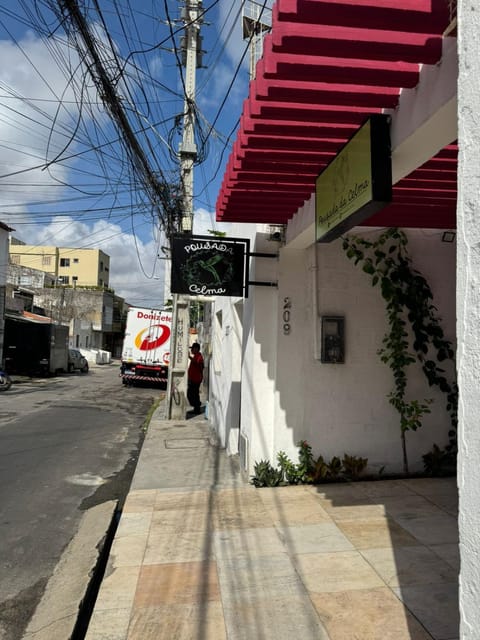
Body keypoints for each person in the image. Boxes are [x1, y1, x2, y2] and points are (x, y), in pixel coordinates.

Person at [187, 342, 204, 414]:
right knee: (191, 394)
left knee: (193, 394)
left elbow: (197, 363)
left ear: (196, 349)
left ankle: (197, 407)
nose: (191, 350)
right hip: (193, 379)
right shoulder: (195, 356)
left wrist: (189, 357)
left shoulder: (199, 356)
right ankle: (196, 407)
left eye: (192, 349)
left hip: (196, 379)